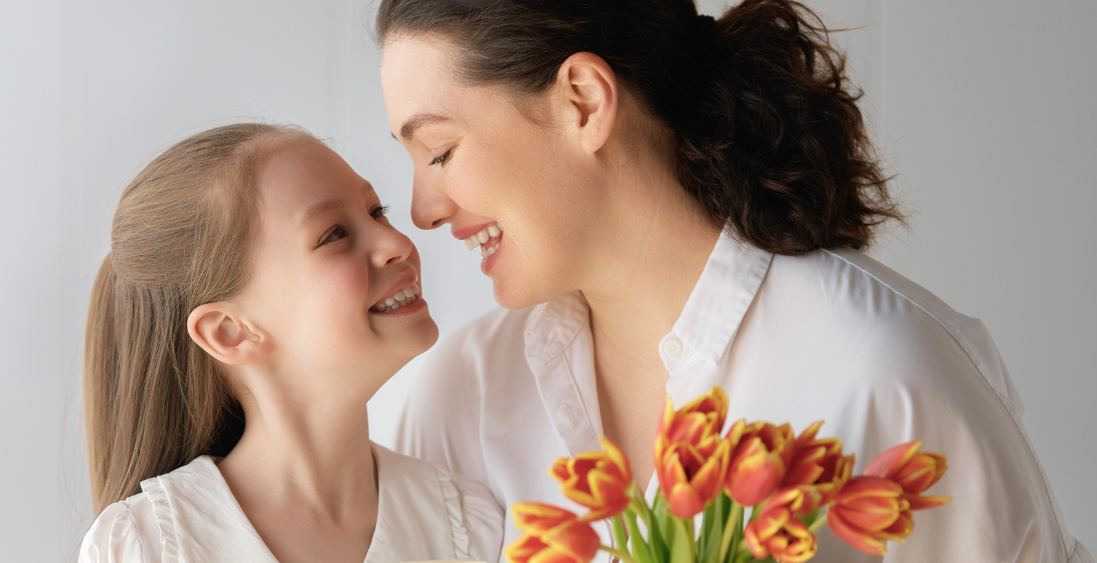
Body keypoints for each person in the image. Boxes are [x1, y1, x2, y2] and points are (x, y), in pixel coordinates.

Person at [375, 0, 1091, 561]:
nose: (422, 210)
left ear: (584, 102)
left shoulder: (881, 369)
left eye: (438, 151)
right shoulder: (452, 400)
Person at [76, 123, 502, 563]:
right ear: (230, 331)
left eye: (377, 211)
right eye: (334, 234)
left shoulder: (466, 526)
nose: (396, 242)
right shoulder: (147, 547)